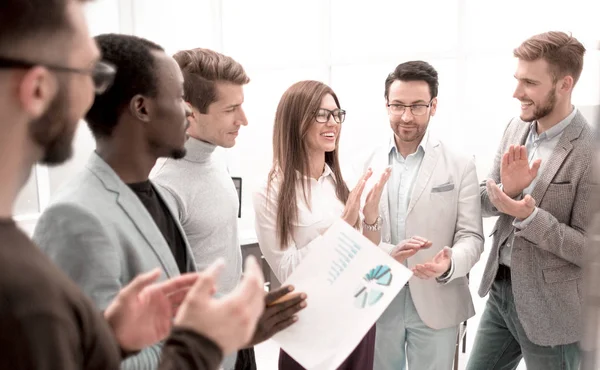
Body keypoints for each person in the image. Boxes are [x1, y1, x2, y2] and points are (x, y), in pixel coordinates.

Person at [0, 0, 266, 369]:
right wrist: (204, 341)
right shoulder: (73, 217)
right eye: (83, 73)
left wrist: (115, 340)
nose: (187, 112)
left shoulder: (150, 192)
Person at [152, 48, 307, 369]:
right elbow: (163, 307)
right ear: (188, 111)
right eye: (231, 109)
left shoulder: (213, 161)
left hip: (238, 341)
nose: (244, 120)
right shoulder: (165, 188)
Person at [253, 80, 418, 369]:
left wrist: (373, 224)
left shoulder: (342, 181)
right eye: (322, 114)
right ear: (296, 121)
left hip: (355, 321)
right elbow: (289, 270)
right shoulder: (270, 192)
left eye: (337, 114)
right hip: (309, 332)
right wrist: (342, 226)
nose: (333, 123)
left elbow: (361, 250)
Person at [466, 31, 594, 370]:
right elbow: (482, 199)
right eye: (517, 79)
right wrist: (507, 193)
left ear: (564, 85)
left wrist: (529, 215)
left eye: (530, 83)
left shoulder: (590, 151)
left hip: (553, 311)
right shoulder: (515, 127)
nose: (517, 92)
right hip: (501, 292)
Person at [354, 60, 483, 370]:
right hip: (380, 297)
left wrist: (449, 262)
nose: (406, 116)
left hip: (437, 299)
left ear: (433, 106)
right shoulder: (368, 162)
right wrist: (390, 253)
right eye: (397, 106)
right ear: (386, 105)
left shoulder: (460, 164)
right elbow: (360, 234)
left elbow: (472, 236)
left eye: (417, 106)